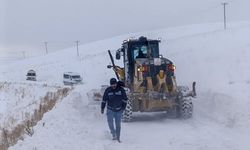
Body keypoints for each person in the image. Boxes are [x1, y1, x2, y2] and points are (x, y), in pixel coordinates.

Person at [101, 78, 128, 142]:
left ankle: (118, 138)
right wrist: (102, 108)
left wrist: (123, 108)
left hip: (119, 110)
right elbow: (104, 100)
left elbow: (125, 99)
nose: (114, 85)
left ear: (116, 83)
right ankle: (114, 135)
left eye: (115, 84)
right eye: (112, 84)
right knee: (110, 123)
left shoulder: (121, 90)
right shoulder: (108, 90)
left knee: (118, 125)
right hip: (110, 110)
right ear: (110, 84)